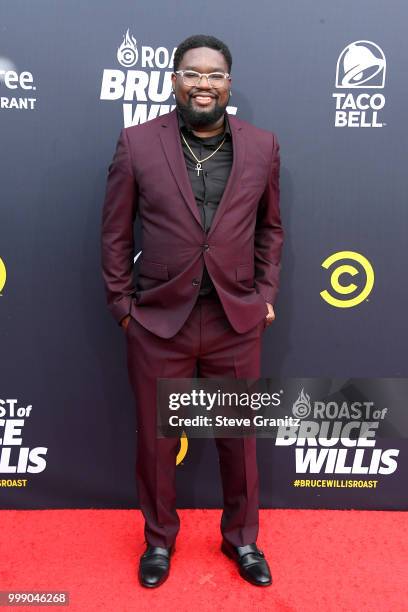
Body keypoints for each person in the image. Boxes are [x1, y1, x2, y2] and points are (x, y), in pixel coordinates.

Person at [101, 33, 284, 588]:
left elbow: (270, 229)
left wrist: (265, 294)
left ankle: (242, 539)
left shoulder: (263, 146)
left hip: (234, 320)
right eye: (192, 73)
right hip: (158, 321)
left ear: (229, 83)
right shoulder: (137, 144)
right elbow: (114, 234)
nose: (204, 83)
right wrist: (124, 308)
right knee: (156, 445)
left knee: (239, 440)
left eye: (215, 74)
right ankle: (158, 541)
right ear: (174, 80)